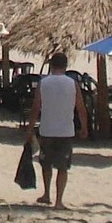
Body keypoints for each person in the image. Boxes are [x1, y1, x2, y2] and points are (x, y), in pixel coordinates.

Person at [30, 51, 88, 209]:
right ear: (66, 66)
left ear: (51, 65)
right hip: (66, 131)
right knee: (63, 167)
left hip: (47, 129)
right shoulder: (72, 84)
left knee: (46, 164)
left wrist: (30, 128)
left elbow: (36, 107)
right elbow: (81, 107)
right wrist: (84, 127)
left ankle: (47, 194)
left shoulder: (43, 83)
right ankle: (59, 201)